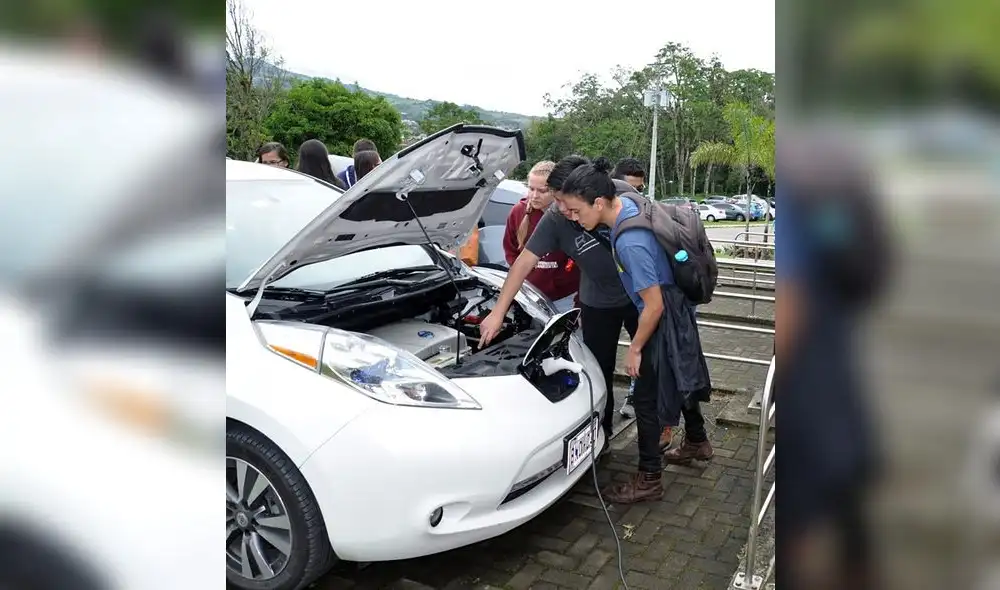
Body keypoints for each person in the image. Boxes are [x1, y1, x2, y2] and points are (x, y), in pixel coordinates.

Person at [478, 156, 673, 454]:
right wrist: (497, 311)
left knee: (653, 369)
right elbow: (523, 263)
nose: (564, 211)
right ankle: (601, 437)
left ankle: (672, 438)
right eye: (559, 202)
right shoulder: (556, 217)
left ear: (588, 198)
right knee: (597, 371)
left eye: (568, 204)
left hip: (640, 300)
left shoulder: (616, 196)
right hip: (597, 302)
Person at [558, 157, 714, 504]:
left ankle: (649, 479)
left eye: (574, 210)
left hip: (663, 317)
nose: (571, 216)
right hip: (674, 310)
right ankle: (697, 441)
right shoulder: (627, 204)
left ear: (598, 202)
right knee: (679, 377)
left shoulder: (630, 241)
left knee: (646, 400)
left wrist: (635, 347)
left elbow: (653, 305)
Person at [501, 161, 580, 302]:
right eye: (531, 189)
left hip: (564, 295)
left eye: (542, 191)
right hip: (527, 291)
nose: (535, 195)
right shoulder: (518, 211)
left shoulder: (569, 213)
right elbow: (511, 250)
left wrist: (558, 282)